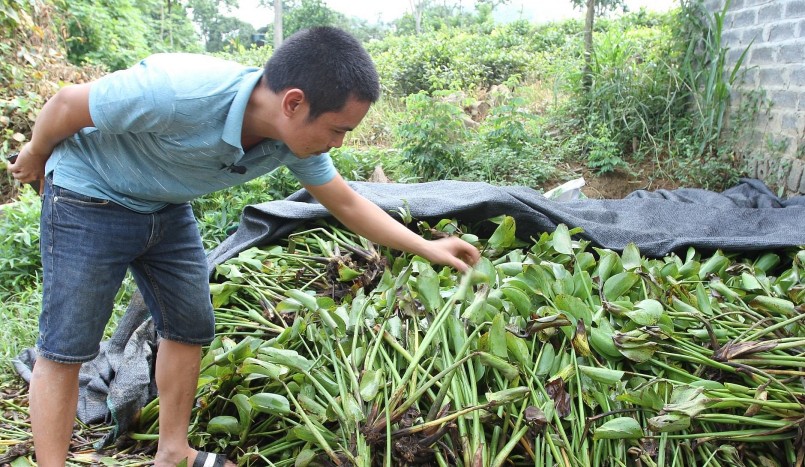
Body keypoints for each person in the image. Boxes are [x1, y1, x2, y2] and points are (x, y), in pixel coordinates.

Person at [8, 26, 480, 467]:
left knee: (189, 325)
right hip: (89, 197)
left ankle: (172, 452)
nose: (337, 142)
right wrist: (33, 154)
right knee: (67, 347)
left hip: (166, 207)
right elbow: (68, 104)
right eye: (338, 129)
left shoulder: (290, 141)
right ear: (293, 102)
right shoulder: (180, 92)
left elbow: (348, 205)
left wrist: (428, 247)